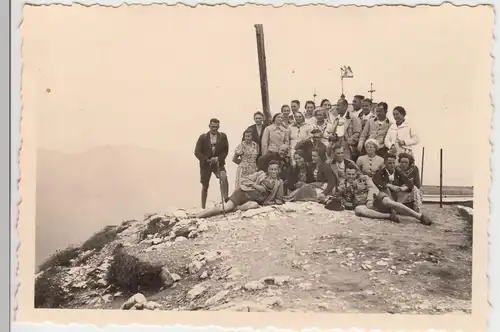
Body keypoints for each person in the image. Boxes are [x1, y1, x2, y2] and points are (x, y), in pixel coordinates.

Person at [333, 164, 432, 225]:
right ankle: (389, 216)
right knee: (358, 210)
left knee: (390, 202)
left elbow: (372, 188)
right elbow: (338, 197)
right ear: (345, 174)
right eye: (348, 174)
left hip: (375, 198)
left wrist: (369, 200)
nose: (351, 176)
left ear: (356, 174)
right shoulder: (343, 186)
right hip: (362, 204)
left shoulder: (364, 178)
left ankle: (419, 216)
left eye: (353, 174)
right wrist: (345, 202)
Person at [196, 161, 284, 218]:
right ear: (268, 169)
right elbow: (244, 179)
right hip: (243, 193)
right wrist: (254, 185)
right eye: (271, 169)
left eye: (275, 169)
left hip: (252, 200)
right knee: (225, 209)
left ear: (279, 170)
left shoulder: (279, 182)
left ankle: (235, 208)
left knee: (254, 205)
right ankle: (197, 216)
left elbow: (279, 200)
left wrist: (269, 202)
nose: (273, 171)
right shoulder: (260, 174)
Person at [194, 118, 229, 209]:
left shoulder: (223, 136)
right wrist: (206, 159)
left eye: (216, 127)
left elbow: (225, 151)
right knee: (205, 185)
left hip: (218, 163)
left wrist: (218, 158)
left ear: (219, 127)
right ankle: (203, 207)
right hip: (206, 165)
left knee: (224, 178)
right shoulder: (203, 137)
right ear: (209, 126)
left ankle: (226, 202)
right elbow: (197, 152)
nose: (214, 129)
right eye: (213, 127)